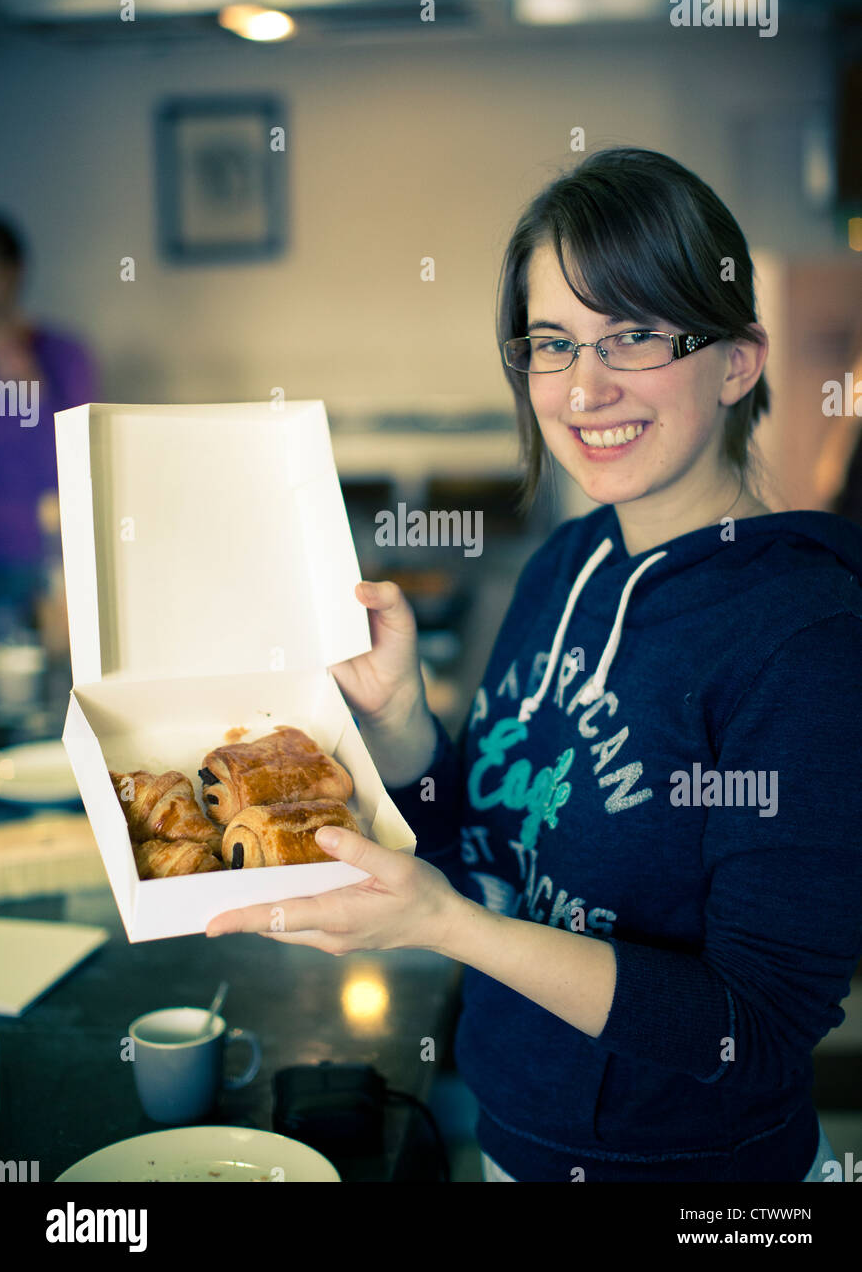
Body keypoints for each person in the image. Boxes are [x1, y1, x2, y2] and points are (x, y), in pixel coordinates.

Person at [206, 147, 862, 1183]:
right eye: (553, 342)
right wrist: (401, 727)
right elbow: (487, 844)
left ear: (737, 361)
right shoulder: (564, 564)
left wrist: (449, 926)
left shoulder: (807, 638)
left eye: (633, 334)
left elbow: (752, 1026)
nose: (585, 387)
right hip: (515, 1151)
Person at [0, 214, 97, 644]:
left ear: (15, 272)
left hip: (45, 561)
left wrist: (25, 375)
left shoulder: (64, 355)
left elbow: (73, 462)